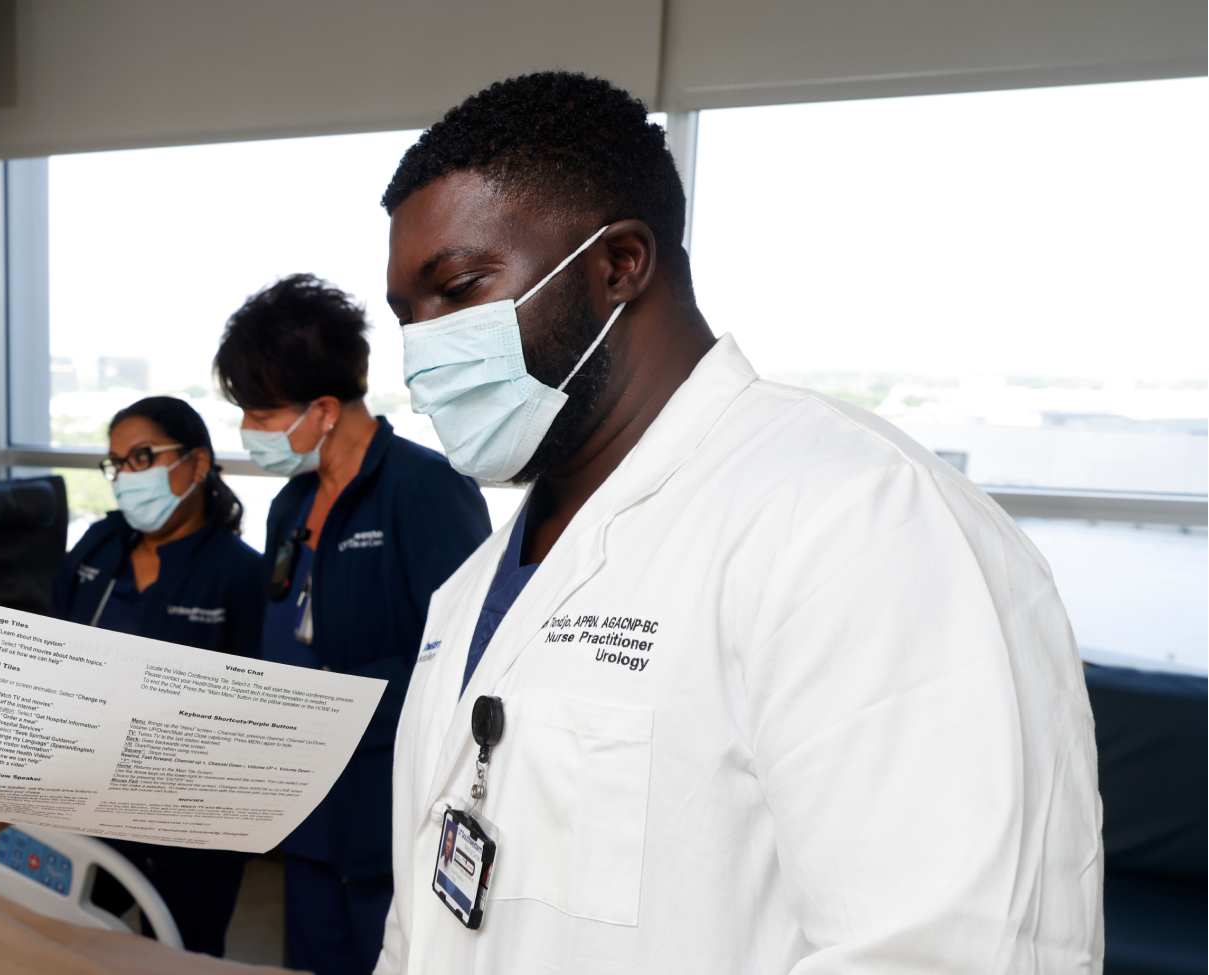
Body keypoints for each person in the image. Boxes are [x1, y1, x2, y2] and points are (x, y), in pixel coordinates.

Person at [374, 72, 1099, 973]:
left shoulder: (858, 523)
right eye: (406, 317)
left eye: (457, 288)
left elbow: (945, 952)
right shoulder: (476, 585)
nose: (421, 351)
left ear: (618, 265)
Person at [213, 275, 492, 975]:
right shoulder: (289, 503)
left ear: (326, 409)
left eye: (262, 411)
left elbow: (467, 659)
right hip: (305, 808)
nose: (250, 429)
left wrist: (331, 703)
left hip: (384, 811)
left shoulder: (425, 490)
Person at [53, 395, 267, 956]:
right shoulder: (99, 547)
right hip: (87, 795)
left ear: (196, 465)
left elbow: (251, 713)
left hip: (190, 822)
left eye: (142, 457)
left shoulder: (241, 576)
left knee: (180, 954)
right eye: (117, 462)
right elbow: (56, 646)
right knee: (66, 940)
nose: (126, 476)